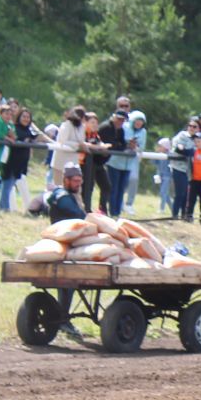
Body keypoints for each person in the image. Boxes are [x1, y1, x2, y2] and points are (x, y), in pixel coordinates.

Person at [41, 164, 91, 342]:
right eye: (75, 181)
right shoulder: (62, 195)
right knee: (68, 282)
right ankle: (63, 318)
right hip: (64, 244)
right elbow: (76, 213)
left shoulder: (68, 195)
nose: (78, 184)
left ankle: (62, 317)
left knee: (67, 284)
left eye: (80, 181)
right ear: (66, 180)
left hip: (70, 242)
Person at [102, 108, 135, 218]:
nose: (120, 122)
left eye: (123, 120)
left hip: (107, 160)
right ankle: (106, 210)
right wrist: (120, 146)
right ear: (114, 117)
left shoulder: (120, 130)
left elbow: (120, 145)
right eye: (119, 119)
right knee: (111, 187)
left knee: (117, 188)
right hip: (104, 161)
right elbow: (112, 144)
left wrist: (124, 145)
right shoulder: (106, 127)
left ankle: (115, 212)